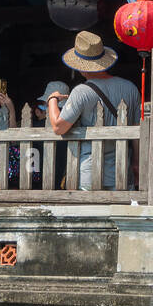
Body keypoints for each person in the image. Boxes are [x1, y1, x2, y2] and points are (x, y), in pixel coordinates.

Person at [46, 32, 141, 191]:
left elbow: (58, 127)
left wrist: (52, 100)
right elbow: (138, 132)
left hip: (89, 172)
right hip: (122, 172)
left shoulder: (81, 92)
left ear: (80, 67)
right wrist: (137, 163)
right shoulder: (130, 88)